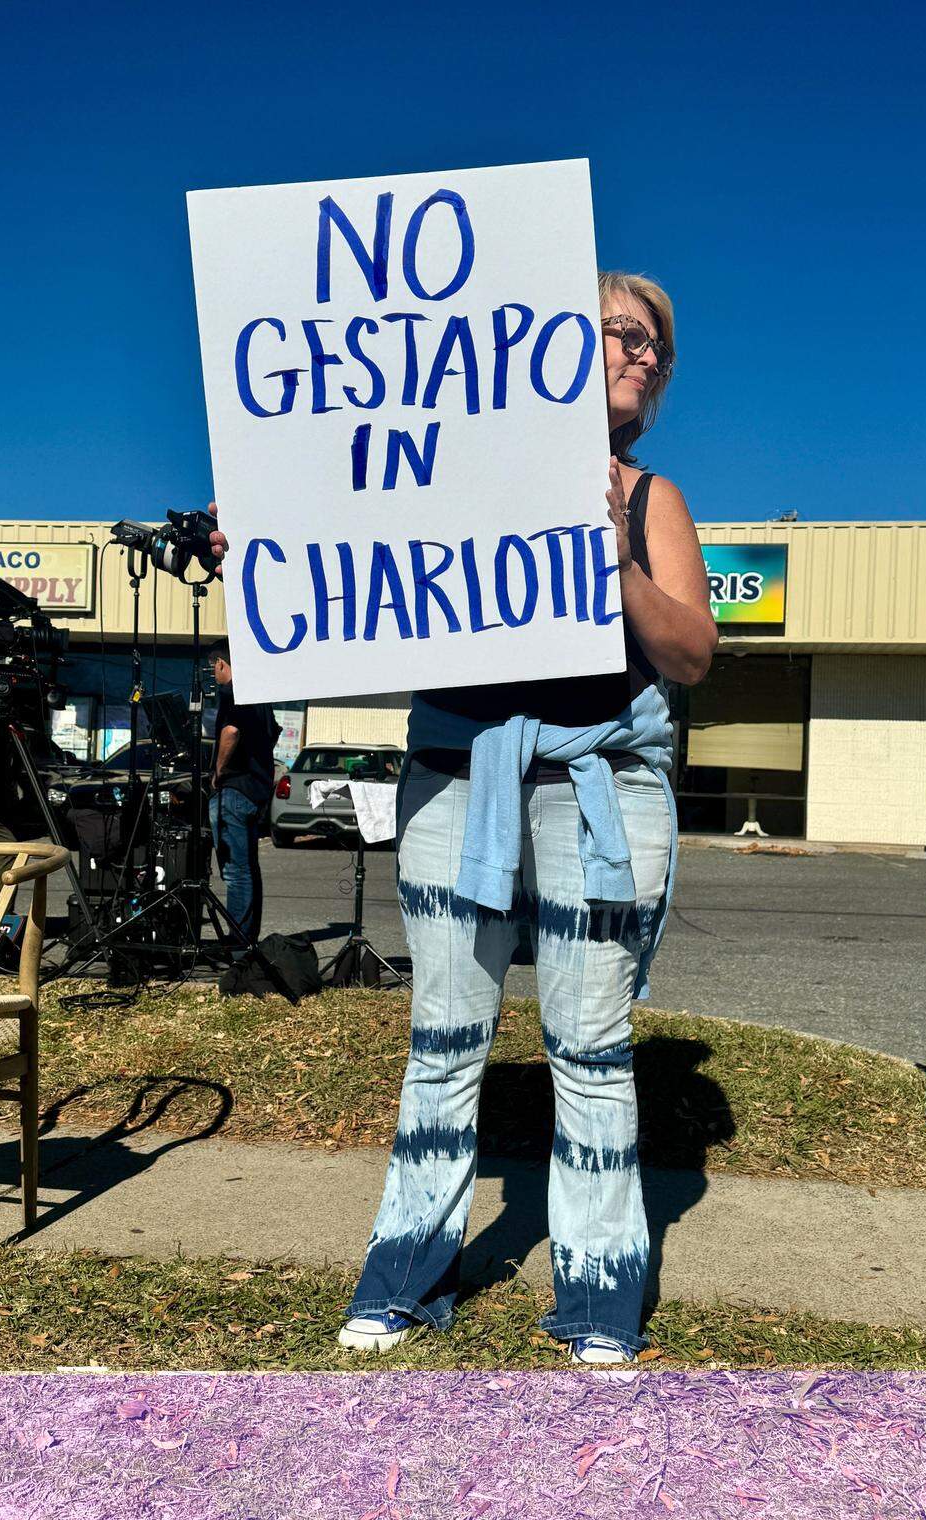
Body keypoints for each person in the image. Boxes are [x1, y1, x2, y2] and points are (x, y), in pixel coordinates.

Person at [208, 271, 717, 1364]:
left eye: (654, 348)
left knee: (589, 1046)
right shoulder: (443, 476)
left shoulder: (648, 498)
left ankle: (600, 1290)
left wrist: (605, 546)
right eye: (619, 332)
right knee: (443, 1039)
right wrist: (269, 558)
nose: (638, 354)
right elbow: (356, 578)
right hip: (454, 777)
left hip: (597, 791)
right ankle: (404, 1270)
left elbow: (691, 652)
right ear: (549, 348)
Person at [207, 641, 278, 947]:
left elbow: (231, 731)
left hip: (234, 789)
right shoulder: (260, 695)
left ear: (221, 663)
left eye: (213, 667)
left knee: (235, 871)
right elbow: (273, 732)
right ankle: (247, 939)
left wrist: (219, 770)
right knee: (248, 869)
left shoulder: (232, 692)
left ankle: (237, 943)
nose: (212, 674)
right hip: (255, 790)